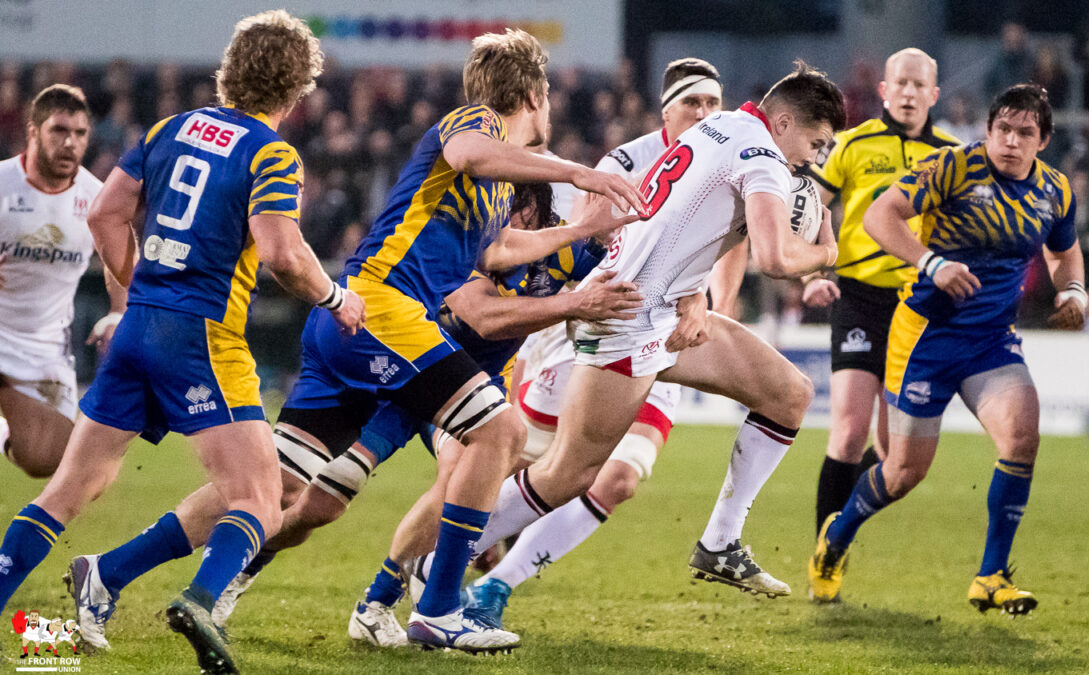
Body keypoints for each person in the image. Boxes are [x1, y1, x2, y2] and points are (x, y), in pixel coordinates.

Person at [67, 28, 643, 657]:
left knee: (281, 488)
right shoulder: (475, 127)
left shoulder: (500, 183)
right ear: (535, 93)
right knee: (498, 434)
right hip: (381, 311)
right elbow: (474, 154)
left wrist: (580, 229)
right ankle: (442, 607)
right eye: (548, 97)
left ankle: (108, 570)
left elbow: (499, 249)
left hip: (355, 323)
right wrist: (580, 171)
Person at [0, 11, 366, 675]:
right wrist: (337, 297)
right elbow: (284, 252)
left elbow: (106, 211)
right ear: (295, 89)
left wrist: (139, 282)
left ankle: (90, 587)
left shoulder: (171, 128)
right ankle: (199, 598)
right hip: (203, 336)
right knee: (261, 496)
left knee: (67, 490)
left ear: (230, 71)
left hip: (138, 325)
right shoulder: (272, 151)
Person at [431, 61, 846, 635]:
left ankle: (721, 542)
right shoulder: (762, 156)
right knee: (568, 475)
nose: (816, 158)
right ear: (782, 122)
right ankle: (437, 566)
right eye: (815, 142)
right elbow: (777, 260)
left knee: (789, 394)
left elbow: (690, 221)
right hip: (627, 317)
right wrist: (826, 251)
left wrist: (698, 292)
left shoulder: (717, 127)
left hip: (658, 309)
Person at [808, 84, 1086, 615]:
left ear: (1043, 141)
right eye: (1002, 129)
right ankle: (836, 536)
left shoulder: (1055, 192)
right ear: (987, 131)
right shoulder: (953, 168)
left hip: (990, 342)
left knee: (1022, 437)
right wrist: (930, 262)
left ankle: (991, 575)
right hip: (926, 339)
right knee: (902, 474)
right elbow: (879, 216)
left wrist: (1073, 290)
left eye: (1024, 133)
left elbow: (1064, 252)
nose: (1010, 141)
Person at [801, 49, 959, 542]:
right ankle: (825, 553)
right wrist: (809, 273)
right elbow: (806, 208)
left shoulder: (953, 157)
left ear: (934, 95)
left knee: (895, 455)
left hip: (918, 307)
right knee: (849, 431)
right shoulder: (851, 144)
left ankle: (843, 525)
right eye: (901, 84)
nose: (910, 93)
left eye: (920, 86)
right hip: (860, 298)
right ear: (885, 91)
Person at [0, 84, 126, 479]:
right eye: (58, 131)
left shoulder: (94, 196)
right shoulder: (3, 184)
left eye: (80, 134)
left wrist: (119, 310)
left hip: (43, 346)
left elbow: (119, 251)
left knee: (48, 460)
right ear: (33, 130)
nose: (70, 143)